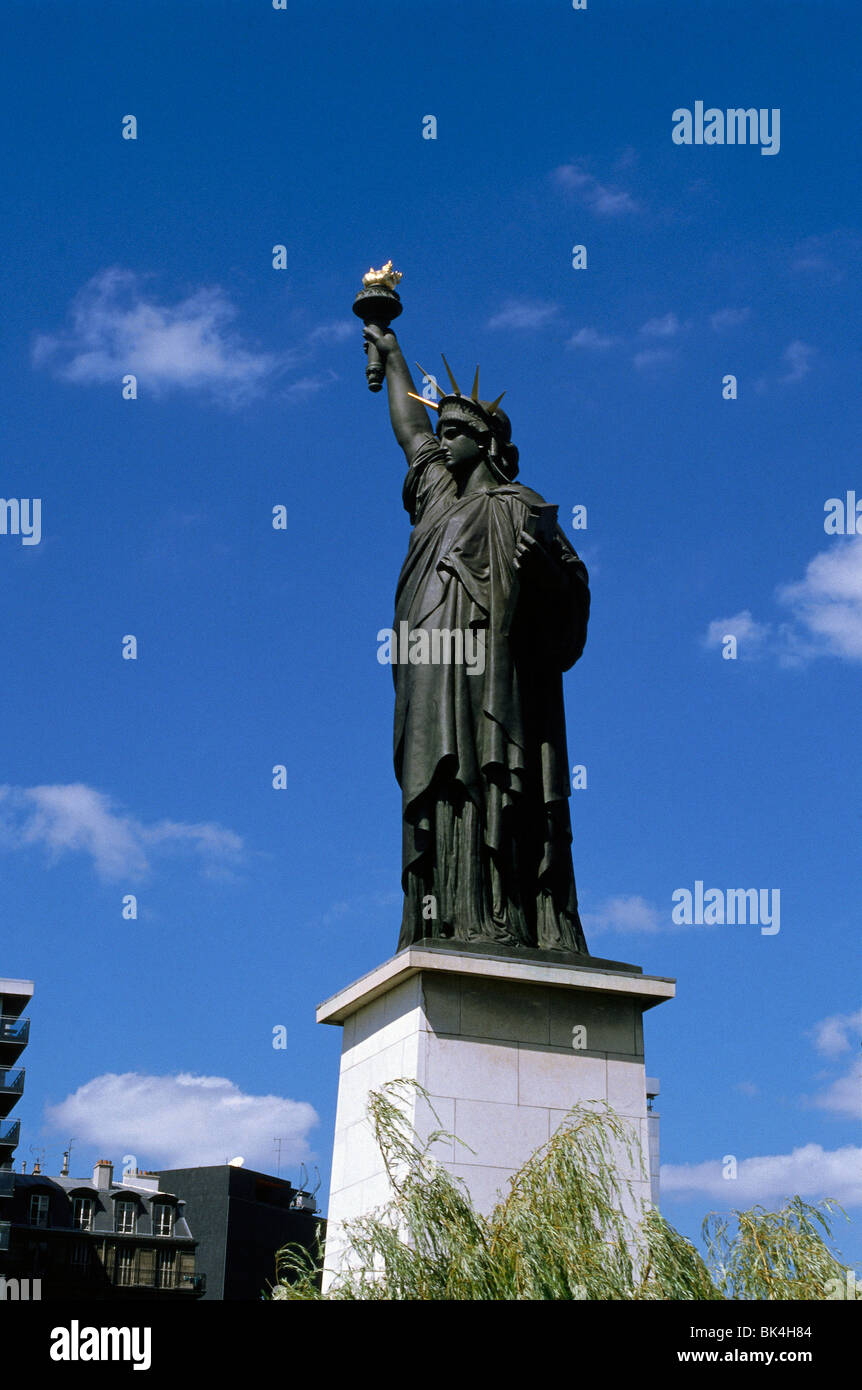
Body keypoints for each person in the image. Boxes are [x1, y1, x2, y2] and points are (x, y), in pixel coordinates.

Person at [365, 324, 591, 955]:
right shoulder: (437, 500)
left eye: (457, 431)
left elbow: (573, 599)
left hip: (494, 681)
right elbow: (412, 431)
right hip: (431, 674)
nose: (443, 439)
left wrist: (543, 572)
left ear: (488, 443)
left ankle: (502, 916)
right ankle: (444, 920)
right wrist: (390, 349)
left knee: (488, 779)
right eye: (445, 430)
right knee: (441, 787)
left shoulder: (522, 506)